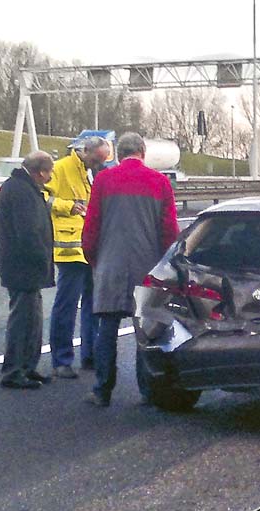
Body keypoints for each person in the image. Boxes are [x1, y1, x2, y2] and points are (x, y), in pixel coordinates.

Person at [82, 133, 179, 407]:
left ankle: (102, 390)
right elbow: (169, 230)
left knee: (107, 329)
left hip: (110, 265)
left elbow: (91, 227)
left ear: (119, 153)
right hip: (147, 267)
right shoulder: (159, 182)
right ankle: (147, 390)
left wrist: (95, 260)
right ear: (143, 152)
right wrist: (167, 266)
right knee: (145, 330)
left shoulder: (103, 180)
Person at [46, 136, 111, 379]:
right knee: (67, 305)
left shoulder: (95, 172)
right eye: (97, 159)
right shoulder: (62, 168)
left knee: (94, 305)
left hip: (92, 248)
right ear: (86, 152)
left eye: (103, 160)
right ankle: (61, 360)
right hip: (70, 249)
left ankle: (90, 354)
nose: (99, 164)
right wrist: (68, 206)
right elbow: (44, 197)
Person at [0, 151, 55, 389]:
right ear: (40, 172)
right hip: (23, 268)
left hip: (24, 267)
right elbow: (28, 233)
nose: (51, 176)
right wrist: (43, 259)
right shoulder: (22, 192)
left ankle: (27, 366)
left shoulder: (22, 188)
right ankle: (14, 370)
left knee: (32, 320)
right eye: (49, 171)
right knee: (22, 320)